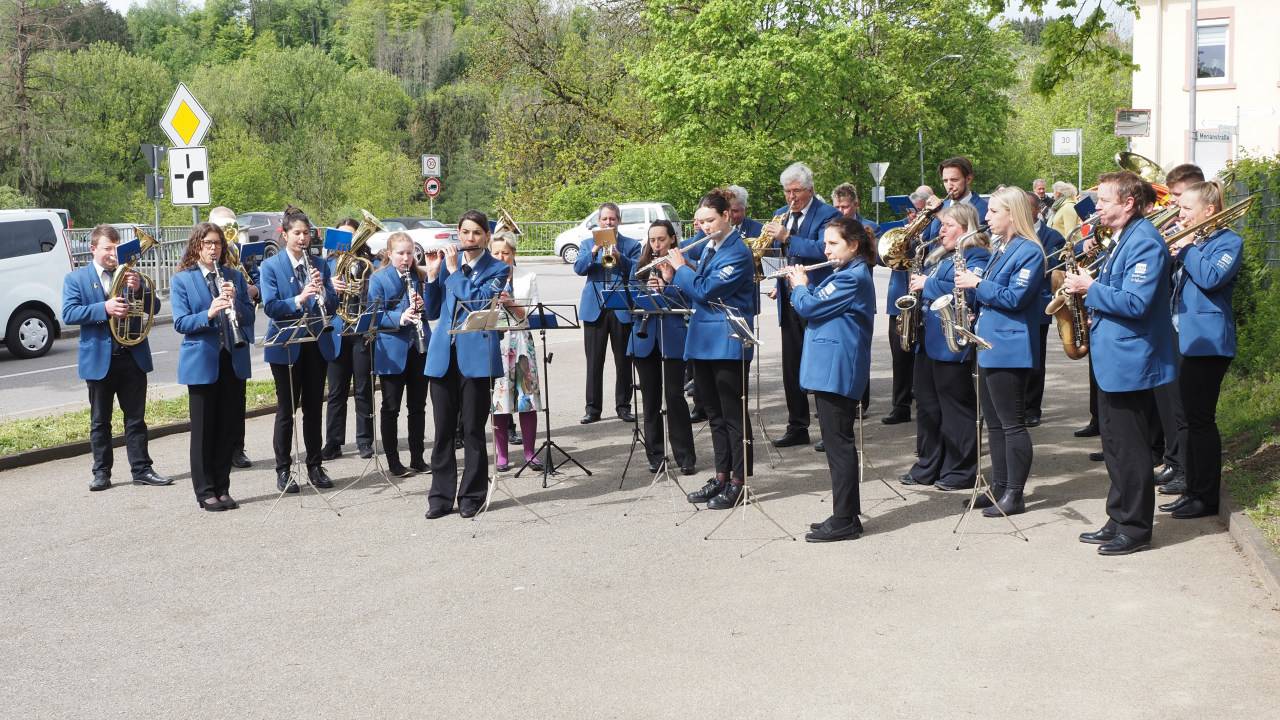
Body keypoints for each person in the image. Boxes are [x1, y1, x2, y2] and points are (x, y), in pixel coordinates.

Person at [1064, 171, 1176, 555]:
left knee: (1131, 449)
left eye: (1104, 201)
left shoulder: (1144, 241)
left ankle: (1136, 527)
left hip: (1131, 361)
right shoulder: (1125, 236)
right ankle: (1119, 516)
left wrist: (1090, 288)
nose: (1096, 208)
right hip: (1115, 359)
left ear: (1128, 203)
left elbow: (1136, 302)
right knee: (1114, 446)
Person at [783, 216, 877, 542]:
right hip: (829, 368)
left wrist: (798, 287)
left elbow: (810, 307)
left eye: (833, 243)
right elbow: (818, 302)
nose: (826, 250)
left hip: (838, 370)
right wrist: (803, 289)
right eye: (825, 244)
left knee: (839, 446)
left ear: (853, 245)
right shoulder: (843, 272)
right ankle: (846, 514)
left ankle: (845, 519)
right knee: (836, 444)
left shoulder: (852, 276)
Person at [954, 186, 1045, 517]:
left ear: (1012, 214)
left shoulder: (1029, 251)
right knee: (993, 422)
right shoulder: (1001, 247)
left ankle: (1015, 494)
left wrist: (977, 284)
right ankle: (999, 485)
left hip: (1009, 346)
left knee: (1012, 424)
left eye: (994, 212)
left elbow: (1015, 298)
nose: (987, 217)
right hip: (989, 341)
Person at [61, 224, 170, 492]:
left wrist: (140, 289)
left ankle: (142, 469)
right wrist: (105, 308)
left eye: (116, 248)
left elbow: (154, 308)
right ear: (93, 249)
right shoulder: (76, 279)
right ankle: (101, 472)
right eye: (107, 248)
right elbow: (69, 313)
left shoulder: (133, 275)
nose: (113, 254)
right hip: (100, 359)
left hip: (132, 356)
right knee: (100, 422)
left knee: (136, 419)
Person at [670, 189, 756, 510]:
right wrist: (675, 272)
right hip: (704, 340)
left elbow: (706, 289)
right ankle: (721, 476)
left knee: (733, 416)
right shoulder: (710, 247)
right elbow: (699, 282)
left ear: (727, 216)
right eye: (701, 222)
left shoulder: (738, 251)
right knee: (714, 415)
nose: (704, 227)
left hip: (728, 342)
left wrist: (681, 269)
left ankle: (739, 481)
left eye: (710, 220)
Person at [1159, 181, 1241, 520]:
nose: (1180, 215)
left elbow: (1211, 278)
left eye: (1186, 209)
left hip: (1208, 342)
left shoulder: (1228, 242)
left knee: (1201, 420)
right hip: (1183, 337)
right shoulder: (1196, 241)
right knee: (1187, 419)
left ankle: (1206, 497)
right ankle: (1191, 488)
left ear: (1209, 210)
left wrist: (1188, 248)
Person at [422, 210, 507, 519]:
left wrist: (453, 272)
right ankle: (440, 497)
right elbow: (432, 310)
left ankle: (472, 495)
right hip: (443, 355)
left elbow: (479, 302)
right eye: (465, 232)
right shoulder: (448, 265)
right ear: (458, 234)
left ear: (486, 236)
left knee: (472, 430)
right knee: (443, 430)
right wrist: (433, 277)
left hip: (477, 358)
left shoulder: (498, 268)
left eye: (476, 233)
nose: (470, 238)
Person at [901, 204, 991, 490]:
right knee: (927, 406)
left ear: (965, 228)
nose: (941, 231)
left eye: (948, 225)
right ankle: (928, 465)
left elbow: (966, 293)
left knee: (955, 408)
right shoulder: (939, 256)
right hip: (928, 338)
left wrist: (927, 284)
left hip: (952, 340)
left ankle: (960, 470)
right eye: (942, 225)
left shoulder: (976, 255)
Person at [170, 223, 254, 511]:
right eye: (208, 243)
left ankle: (223, 487)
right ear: (197, 246)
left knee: (227, 429)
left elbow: (249, 316)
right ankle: (205, 491)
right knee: (204, 431)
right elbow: (181, 322)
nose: (213, 248)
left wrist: (236, 302)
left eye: (217, 243)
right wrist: (208, 312)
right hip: (202, 362)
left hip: (232, 358)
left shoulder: (233, 276)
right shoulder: (183, 280)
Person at [260, 206, 340, 494]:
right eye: (297, 233)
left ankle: (315, 465)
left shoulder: (320, 264)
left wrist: (324, 292)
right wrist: (300, 298)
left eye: (306, 233)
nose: (303, 238)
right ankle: (283, 469)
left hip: (316, 343)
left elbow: (333, 305)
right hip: (286, 345)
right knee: (286, 410)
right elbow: (271, 306)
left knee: (313, 408)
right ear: (285, 235)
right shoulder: (271, 266)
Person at [763, 162, 841, 447]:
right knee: (791, 366)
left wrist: (788, 238)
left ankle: (829, 432)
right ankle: (797, 426)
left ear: (810, 189)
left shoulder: (828, 214)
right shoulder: (780, 214)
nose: (791, 197)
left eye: (796, 191)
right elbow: (779, 255)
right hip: (789, 298)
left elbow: (823, 250)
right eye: (787, 191)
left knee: (819, 365)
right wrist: (775, 277)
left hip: (815, 296)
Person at [630, 220, 696, 475]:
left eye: (661, 239)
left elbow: (690, 300)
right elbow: (629, 299)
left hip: (673, 337)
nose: (656, 245)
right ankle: (655, 455)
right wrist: (647, 290)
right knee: (650, 400)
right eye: (652, 240)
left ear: (672, 239)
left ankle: (685, 456)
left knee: (674, 397)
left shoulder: (684, 266)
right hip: (644, 338)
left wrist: (668, 282)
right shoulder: (640, 267)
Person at [368, 232, 436, 477]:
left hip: (418, 347)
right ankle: (394, 462)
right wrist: (400, 317)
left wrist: (423, 305)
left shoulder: (418, 276)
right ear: (389, 254)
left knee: (417, 406)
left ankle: (418, 458)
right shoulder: (379, 278)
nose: (406, 258)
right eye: (400, 253)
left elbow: (432, 312)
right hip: (392, 351)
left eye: (410, 253)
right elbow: (373, 316)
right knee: (391, 408)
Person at [573, 202, 642, 424]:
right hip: (595, 309)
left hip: (620, 306)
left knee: (624, 361)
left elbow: (638, 271)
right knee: (594, 361)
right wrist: (595, 250)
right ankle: (593, 409)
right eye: (605, 219)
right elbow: (579, 268)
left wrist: (620, 256)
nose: (608, 222)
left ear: (619, 220)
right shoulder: (587, 243)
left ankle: (623, 406)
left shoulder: (631, 245)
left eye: (612, 219)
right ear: (599, 221)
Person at [488, 231, 544, 473]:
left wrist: (511, 303)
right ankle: (502, 455)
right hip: (497, 342)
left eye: (506, 253)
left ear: (513, 254)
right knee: (499, 401)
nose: (501, 257)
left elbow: (533, 315)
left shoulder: (527, 277)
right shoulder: (485, 278)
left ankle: (530, 452)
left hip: (521, 342)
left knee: (526, 398)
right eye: (496, 253)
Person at [322, 216, 376, 461]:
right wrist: (328, 287)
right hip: (336, 331)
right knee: (336, 391)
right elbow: (317, 299)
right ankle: (333, 442)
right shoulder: (327, 265)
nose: (347, 240)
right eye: (342, 236)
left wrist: (362, 287)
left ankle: (365, 440)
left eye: (351, 235)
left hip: (361, 330)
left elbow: (377, 295)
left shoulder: (369, 263)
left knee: (363, 389)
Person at [209, 206, 255, 470]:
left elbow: (254, 284)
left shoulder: (238, 254)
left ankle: (238, 448)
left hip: (237, 333)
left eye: (231, 226)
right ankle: (217, 450)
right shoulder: (203, 254)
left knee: (237, 398)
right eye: (223, 226)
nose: (228, 232)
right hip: (214, 336)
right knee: (214, 399)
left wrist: (249, 290)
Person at [1025, 191, 1066, 427]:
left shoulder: (1052, 237)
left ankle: (1032, 408)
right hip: (1012, 305)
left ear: (1036, 210)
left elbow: (1054, 268)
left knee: (1035, 360)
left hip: (1038, 304)